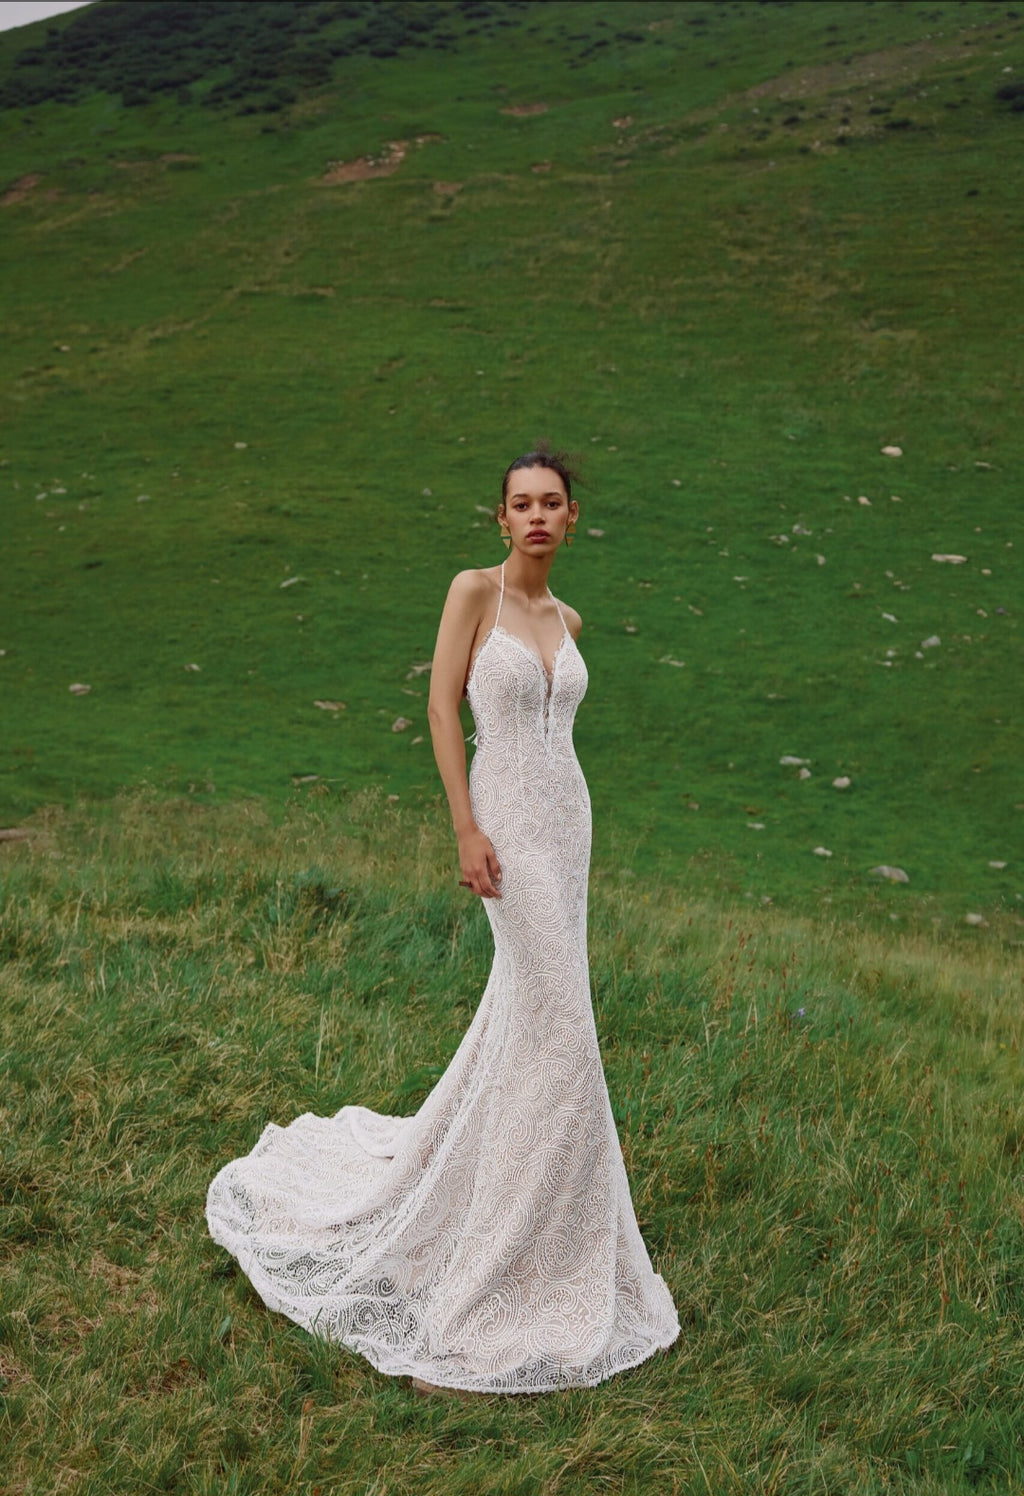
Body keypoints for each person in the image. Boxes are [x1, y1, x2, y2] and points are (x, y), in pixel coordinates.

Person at [206, 450, 679, 1394]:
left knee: (539, 1025)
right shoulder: (475, 592)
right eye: (521, 504)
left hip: (569, 828)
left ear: (573, 518)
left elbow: (563, 738)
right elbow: (437, 703)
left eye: (552, 504)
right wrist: (464, 824)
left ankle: (543, 1247)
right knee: (561, 1032)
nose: (536, 517)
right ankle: (491, 1282)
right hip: (502, 825)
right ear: (500, 519)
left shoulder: (569, 621)